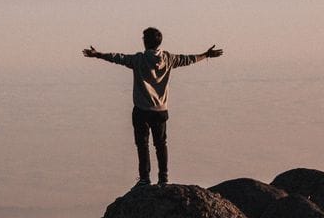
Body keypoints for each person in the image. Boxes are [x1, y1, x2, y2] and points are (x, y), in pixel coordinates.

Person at [82, 27, 223, 187]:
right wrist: (206, 54)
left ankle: (145, 179)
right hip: (160, 110)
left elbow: (118, 58)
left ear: (145, 42)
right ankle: (163, 178)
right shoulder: (169, 58)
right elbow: (189, 59)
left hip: (141, 110)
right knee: (161, 145)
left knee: (142, 145)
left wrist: (98, 55)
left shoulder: (139, 60)